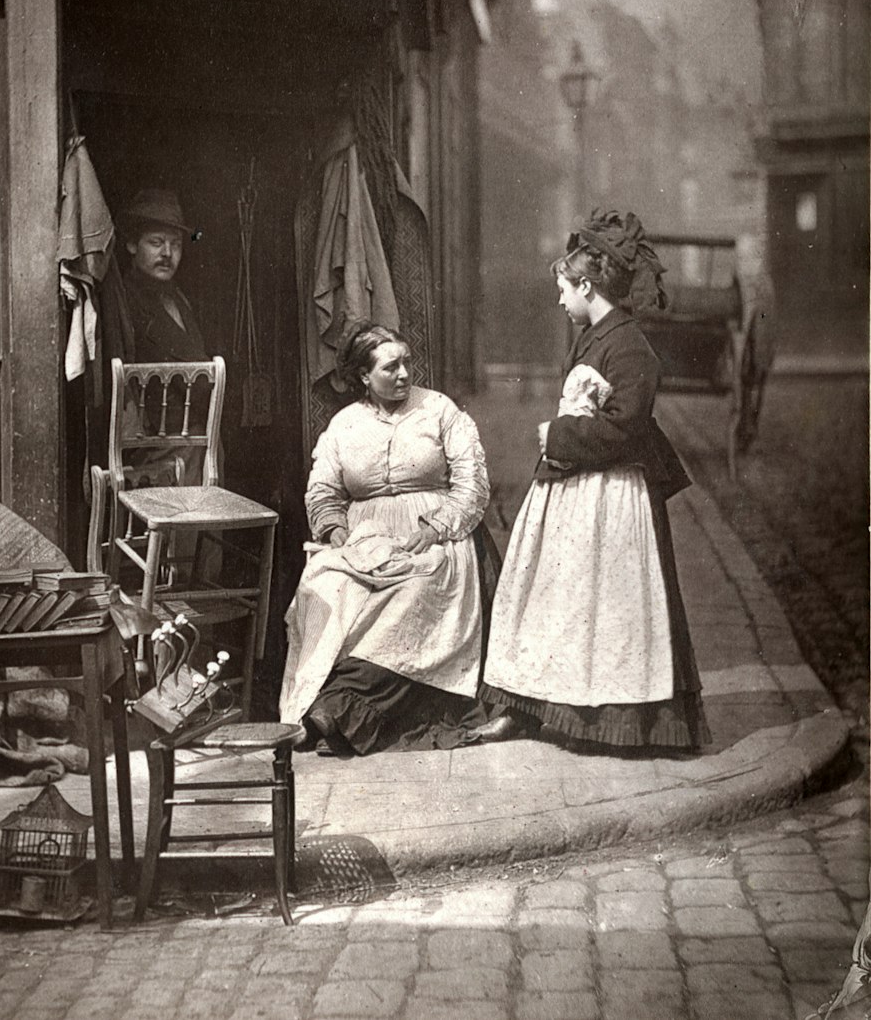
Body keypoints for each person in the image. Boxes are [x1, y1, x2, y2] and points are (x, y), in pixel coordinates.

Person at [480, 209, 711, 754]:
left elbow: (626, 428)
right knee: (560, 595)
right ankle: (533, 705)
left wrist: (557, 436)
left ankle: (622, 720)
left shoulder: (631, 347)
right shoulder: (595, 335)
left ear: (587, 285)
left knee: (612, 606)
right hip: (575, 491)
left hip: (612, 495)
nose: (560, 300)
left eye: (563, 289)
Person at [279, 321, 491, 755]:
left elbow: (472, 484)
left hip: (435, 536)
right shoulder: (344, 425)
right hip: (362, 539)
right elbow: (322, 490)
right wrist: (336, 529)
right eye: (390, 367)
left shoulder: (439, 410)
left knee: (414, 591)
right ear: (363, 376)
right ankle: (320, 708)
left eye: (406, 363)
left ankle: (333, 711)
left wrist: (434, 527)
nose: (404, 374)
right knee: (324, 587)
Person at [121, 188, 210, 486]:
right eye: (156, 243)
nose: (167, 254)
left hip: (192, 437)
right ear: (132, 245)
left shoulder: (177, 298)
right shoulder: (124, 302)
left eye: (175, 244)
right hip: (154, 448)